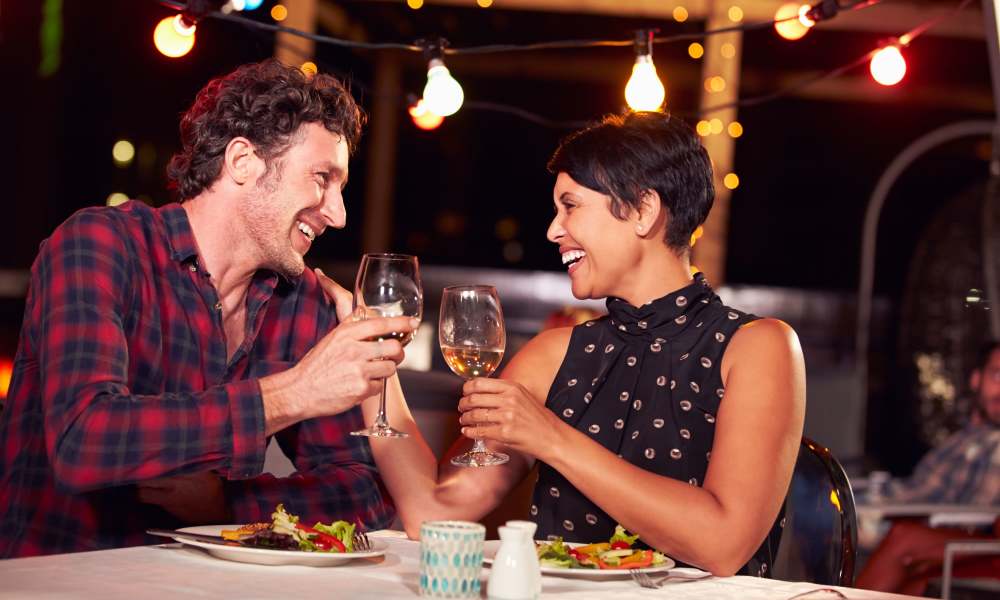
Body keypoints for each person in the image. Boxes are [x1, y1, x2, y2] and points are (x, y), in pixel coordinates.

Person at [324, 111, 807, 576]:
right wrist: (373, 362)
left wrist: (551, 438)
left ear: (643, 211)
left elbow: (724, 545)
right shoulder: (552, 356)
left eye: (571, 206)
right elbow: (433, 513)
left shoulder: (759, 347)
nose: (553, 230)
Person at [0, 59, 417, 558]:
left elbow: (364, 492)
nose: (338, 214)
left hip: (201, 586)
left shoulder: (301, 301)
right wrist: (293, 393)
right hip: (56, 578)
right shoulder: (100, 244)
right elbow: (83, 440)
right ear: (242, 161)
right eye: (321, 178)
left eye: (341, 188)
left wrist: (228, 503)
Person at [855, 341, 1000, 594]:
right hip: (933, 521)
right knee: (815, 509)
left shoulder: (994, 443)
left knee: (903, 538)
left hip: (977, 537)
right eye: (998, 376)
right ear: (976, 380)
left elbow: (979, 513)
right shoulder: (963, 439)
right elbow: (922, 488)